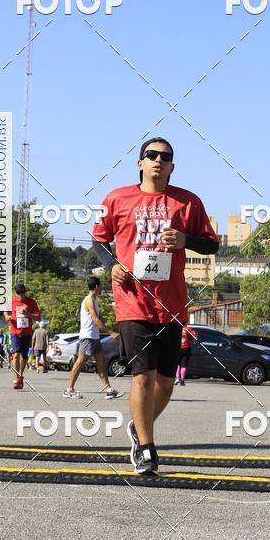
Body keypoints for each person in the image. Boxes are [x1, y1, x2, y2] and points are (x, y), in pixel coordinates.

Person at [92, 137, 219, 474]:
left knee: (165, 381)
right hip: (132, 302)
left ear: (172, 166)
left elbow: (211, 245)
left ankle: (139, 424)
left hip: (172, 304)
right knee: (142, 377)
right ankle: (147, 448)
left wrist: (186, 240)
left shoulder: (188, 202)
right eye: (151, 155)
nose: (158, 160)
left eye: (165, 157)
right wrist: (112, 266)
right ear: (140, 163)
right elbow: (98, 239)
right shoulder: (117, 198)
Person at [64, 277, 123, 399]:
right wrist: (111, 332)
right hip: (87, 337)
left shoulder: (94, 301)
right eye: (101, 285)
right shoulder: (89, 300)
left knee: (101, 363)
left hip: (94, 337)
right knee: (80, 362)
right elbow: (96, 320)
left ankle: (109, 389)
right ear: (96, 287)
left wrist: (108, 313)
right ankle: (69, 389)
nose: (102, 288)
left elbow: (98, 319)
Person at [4, 282, 41, 390]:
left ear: (25, 292)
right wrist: (7, 316)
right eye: (18, 293)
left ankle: (20, 375)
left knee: (24, 357)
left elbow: (38, 317)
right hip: (14, 331)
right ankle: (16, 378)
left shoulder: (31, 302)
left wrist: (27, 314)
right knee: (15, 355)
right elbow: (5, 309)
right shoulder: (12, 301)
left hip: (27, 332)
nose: (20, 295)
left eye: (22, 293)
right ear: (16, 293)